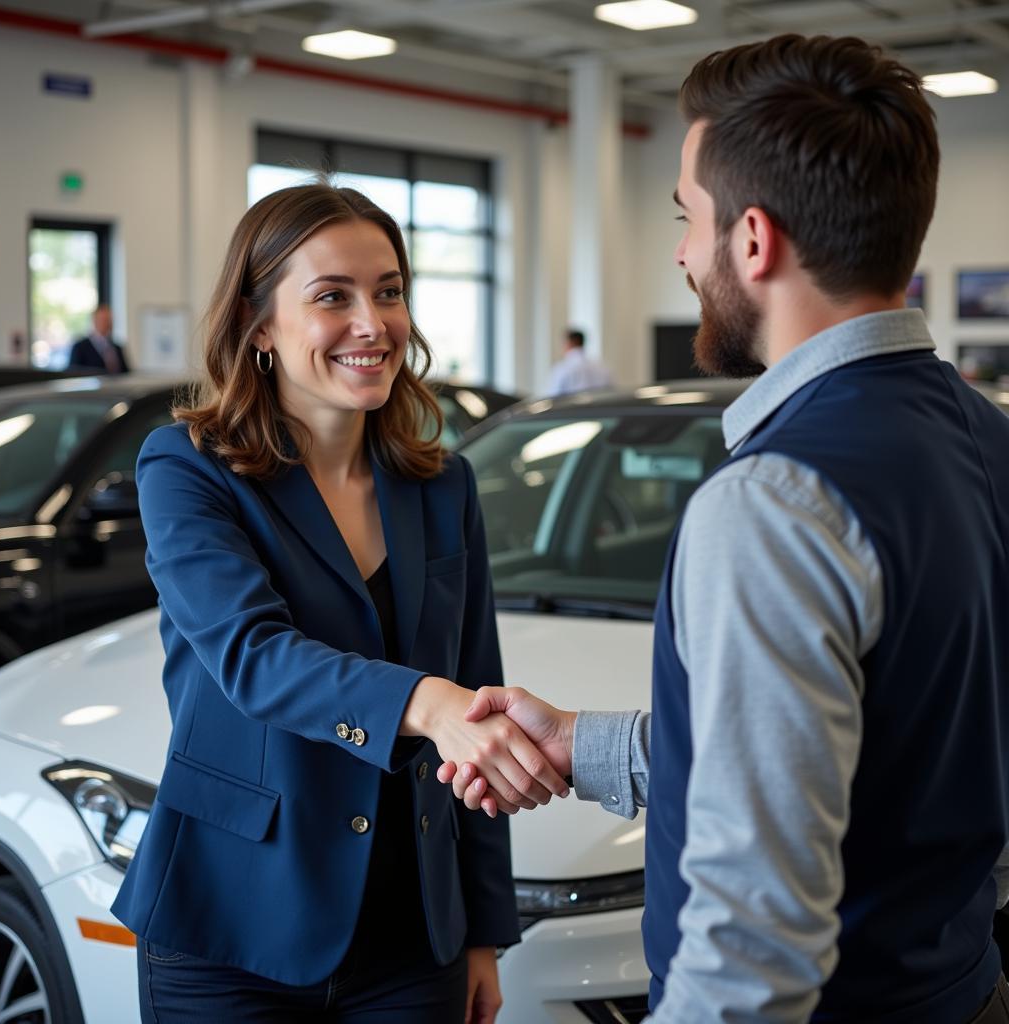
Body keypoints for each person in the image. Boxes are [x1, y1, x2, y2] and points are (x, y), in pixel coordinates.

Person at [440, 34, 1009, 1024]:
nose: (678, 251)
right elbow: (866, 743)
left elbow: (750, 944)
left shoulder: (775, 501)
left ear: (752, 239)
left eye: (684, 218)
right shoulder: (983, 439)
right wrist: (582, 743)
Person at [110, 182, 569, 1024]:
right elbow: (252, 656)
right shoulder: (186, 468)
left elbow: (478, 680)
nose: (373, 323)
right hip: (232, 922)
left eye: (389, 291)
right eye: (333, 297)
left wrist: (481, 931)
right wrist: (428, 702)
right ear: (257, 327)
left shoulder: (441, 485)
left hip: (410, 932)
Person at [545, 327, 613, 395]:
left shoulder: (562, 368)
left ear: (569, 343)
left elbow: (553, 397)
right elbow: (611, 393)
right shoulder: (602, 367)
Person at [68, 303, 130, 373]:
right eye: (102, 319)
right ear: (94, 320)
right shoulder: (80, 348)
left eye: (108, 320)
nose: (106, 323)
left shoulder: (118, 348)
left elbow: (127, 373)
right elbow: (73, 373)